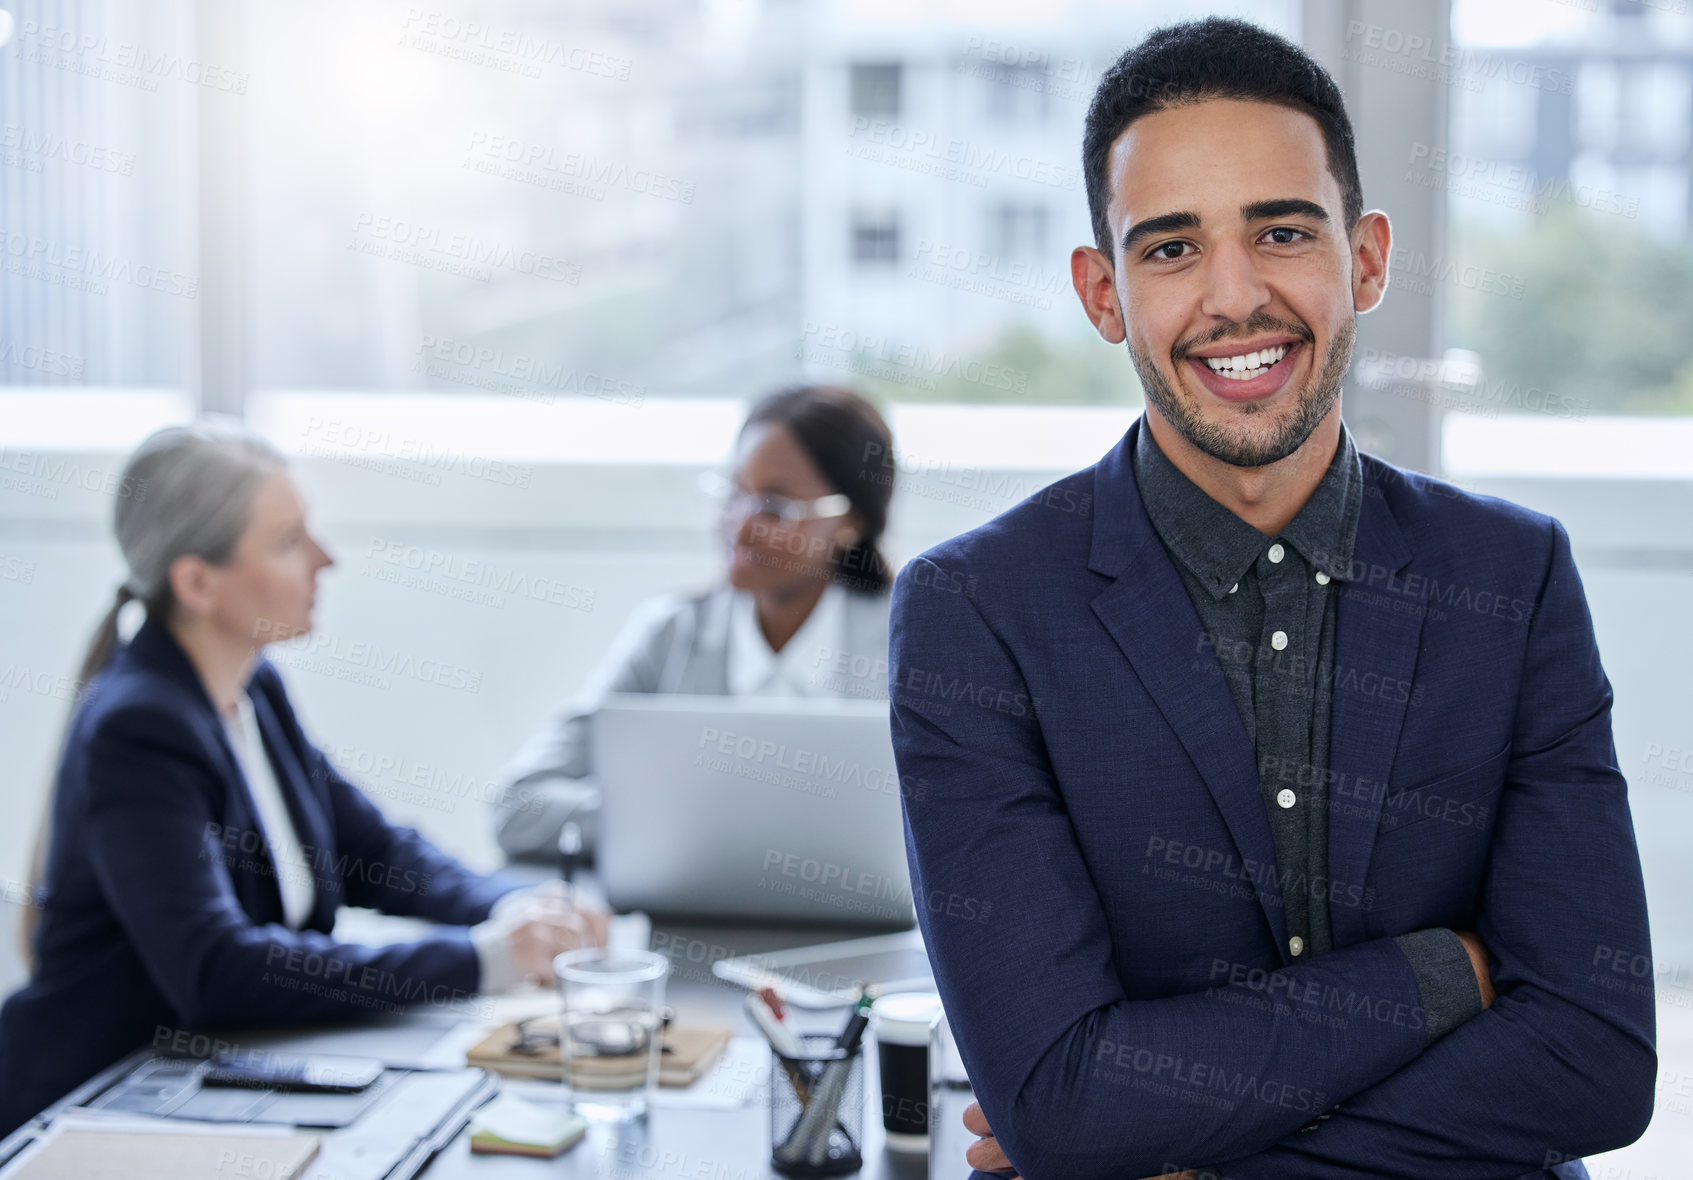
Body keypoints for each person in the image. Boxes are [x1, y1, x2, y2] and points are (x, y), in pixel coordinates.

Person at [891, 18, 1653, 1180]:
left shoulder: (1513, 578)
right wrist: (1445, 972)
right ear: (1102, 293)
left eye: (1282, 232)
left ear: (1367, 258)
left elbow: (1597, 1058)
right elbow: (1059, 1098)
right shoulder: (977, 611)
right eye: (1170, 249)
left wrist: (1190, 1149)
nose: (1233, 298)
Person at [0, 419, 607, 1138]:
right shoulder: (138, 730)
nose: (326, 559)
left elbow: (374, 854)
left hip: (218, 1090)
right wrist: (482, 960)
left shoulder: (253, 692)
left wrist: (526, 906)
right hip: (94, 1107)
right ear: (196, 582)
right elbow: (217, 968)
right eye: (289, 542)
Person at [492, 384, 896, 861]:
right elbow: (519, 803)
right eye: (734, 493)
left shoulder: (908, 645)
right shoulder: (669, 637)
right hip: (680, 931)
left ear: (850, 523)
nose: (741, 526)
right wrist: (670, 823)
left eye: (774, 507)